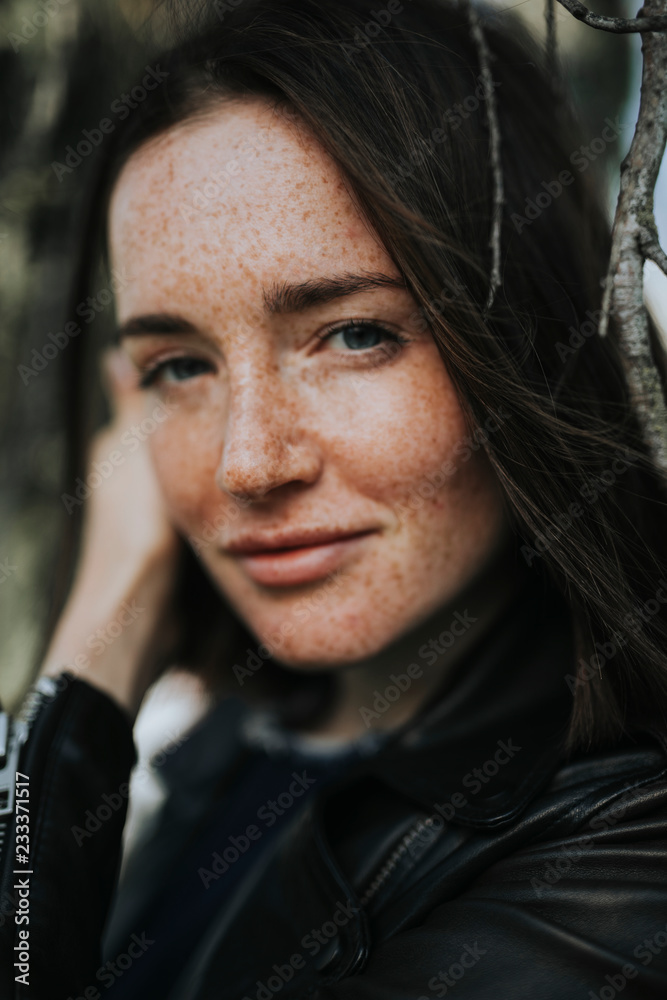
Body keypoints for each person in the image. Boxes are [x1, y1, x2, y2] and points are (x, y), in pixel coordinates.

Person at [1, 0, 667, 997]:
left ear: (531, 339)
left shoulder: (621, 854)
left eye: (354, 334)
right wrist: (94, 665)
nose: (249, 463)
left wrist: (86, 672)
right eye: (180, 364)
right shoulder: (245, 738)